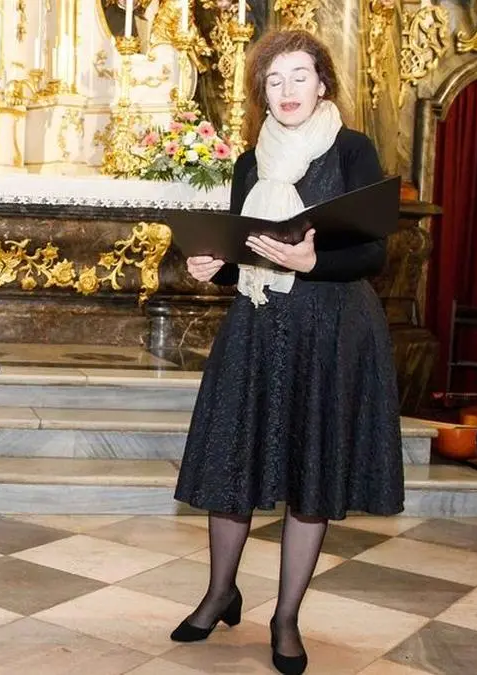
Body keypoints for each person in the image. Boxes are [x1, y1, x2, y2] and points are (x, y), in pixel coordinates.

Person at [170, 30, 403, 675]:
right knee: (232, 464)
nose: (287, 90)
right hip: (258, 325)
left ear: (322, 83)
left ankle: (286, 617)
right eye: (274, 80)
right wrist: (212, 267)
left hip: (330, 328)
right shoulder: (250, 162)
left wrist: (312, 262)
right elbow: (244, 253)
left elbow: (373, 253)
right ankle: (219, 594)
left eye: (299, 76)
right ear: (262, 93)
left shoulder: (352, 149)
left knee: (310, 474)